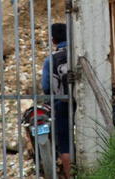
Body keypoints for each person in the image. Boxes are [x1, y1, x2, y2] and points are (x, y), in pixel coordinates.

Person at [41, 23, 71, 178]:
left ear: (53, 40)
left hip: (61, 104)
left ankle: (71, 175)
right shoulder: (77, 54)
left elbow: (46, 86)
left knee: (65, 143)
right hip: (82, 102)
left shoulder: (50, 60)